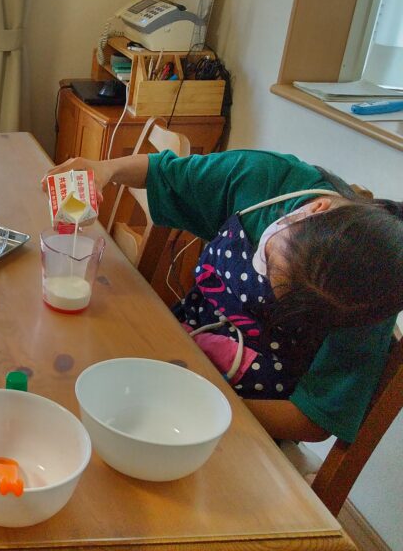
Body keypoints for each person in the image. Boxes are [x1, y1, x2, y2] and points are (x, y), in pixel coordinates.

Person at [43, 150, 403, 444]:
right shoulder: (263, 180)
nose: (267, 287)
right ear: (313, 210)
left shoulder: (366, 296)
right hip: (175, 351)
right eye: (271, 264)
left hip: (244, 418)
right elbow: (163, 173)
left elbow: (313, 419)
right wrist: (106, 169)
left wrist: (207, 409)